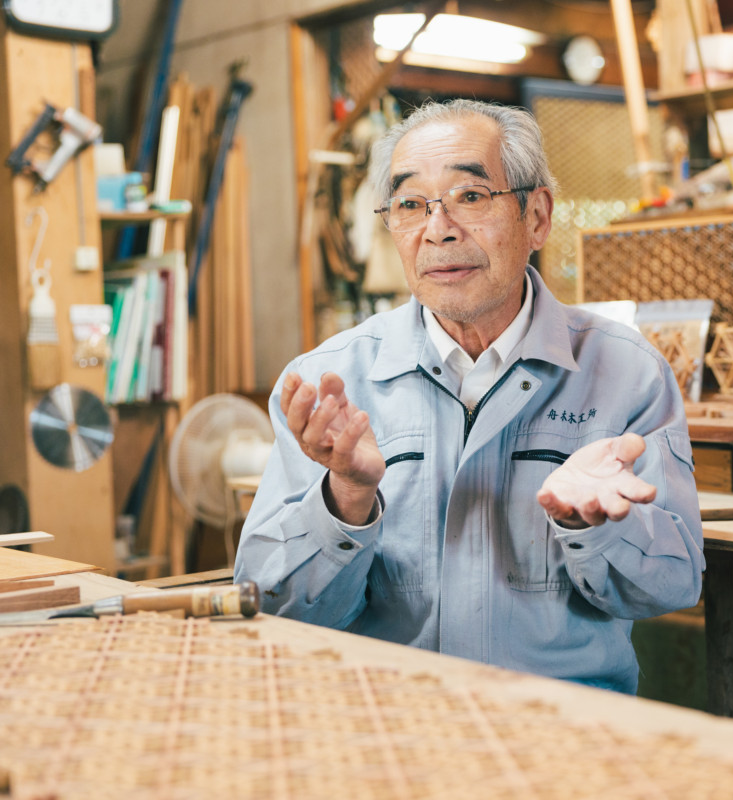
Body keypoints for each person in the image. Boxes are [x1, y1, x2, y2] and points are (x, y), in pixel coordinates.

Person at [233, 99, 704, 693]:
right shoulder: (329, 382)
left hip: (557, 723)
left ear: (537, 217)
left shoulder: (627, 372)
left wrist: (596, 527)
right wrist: (345, 496)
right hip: (387, 719)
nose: (438, 229)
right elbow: (270, 603)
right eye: (410, 205)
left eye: (471, 196)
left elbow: (672, 585)